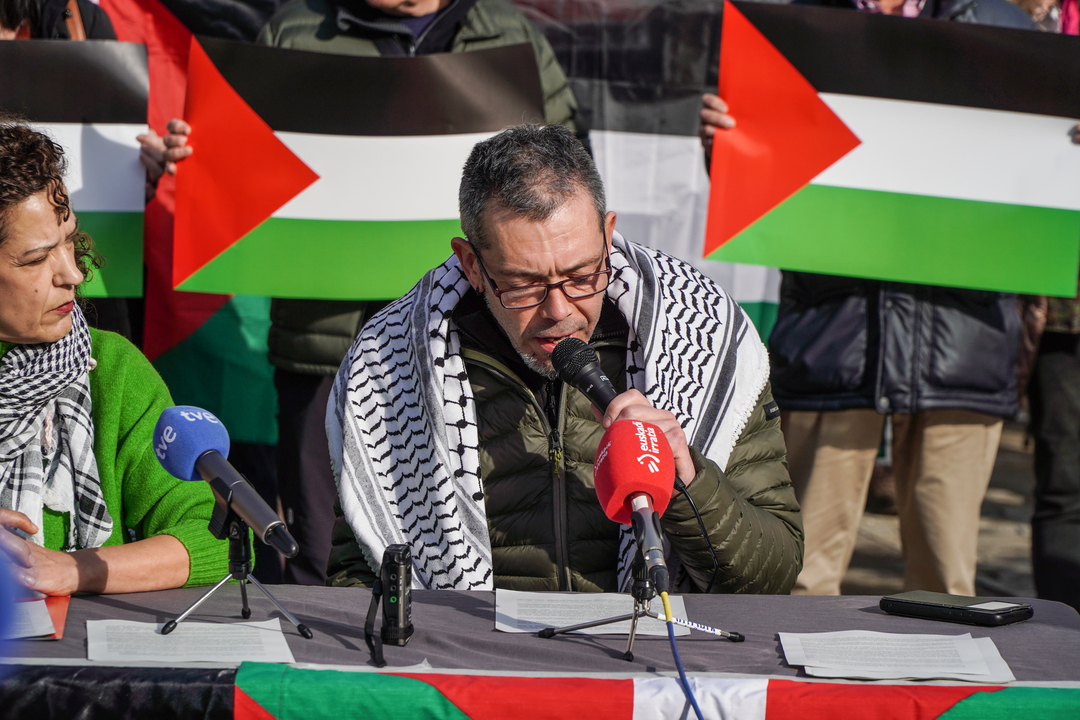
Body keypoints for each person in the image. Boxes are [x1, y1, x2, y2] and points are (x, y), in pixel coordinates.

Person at [155, 0, 583, 585]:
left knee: (468, 541)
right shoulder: (296, 32)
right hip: (323, 351)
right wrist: (197, 153)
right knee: (318, 551)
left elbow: (566, 170)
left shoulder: (510, 36)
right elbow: (236, 160)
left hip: (476, 345)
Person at [324, 124, 802, 592]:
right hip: (472, 643)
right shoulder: (392, 366)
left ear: (607, 236)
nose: (559, 311)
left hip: (649, 641)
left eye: (581, 276)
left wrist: (687, 481)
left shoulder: (702, 335)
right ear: (472, 265)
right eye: (524, 285)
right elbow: (360, 574)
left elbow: (775, 574)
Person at [699, 0, 1034, 598]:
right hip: (835, 336)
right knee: (799, 578)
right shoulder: (796, 30)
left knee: (947, 589)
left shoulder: (1005, 28)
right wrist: (729, 146)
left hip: (962, 342)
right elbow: (769, 185)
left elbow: (1036, 185)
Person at [0, 120, 228, 595]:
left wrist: (71, 569)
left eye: (70, 240)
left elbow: (211, 539)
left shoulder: (112, 369)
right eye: (37, 258)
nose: (73, 273)